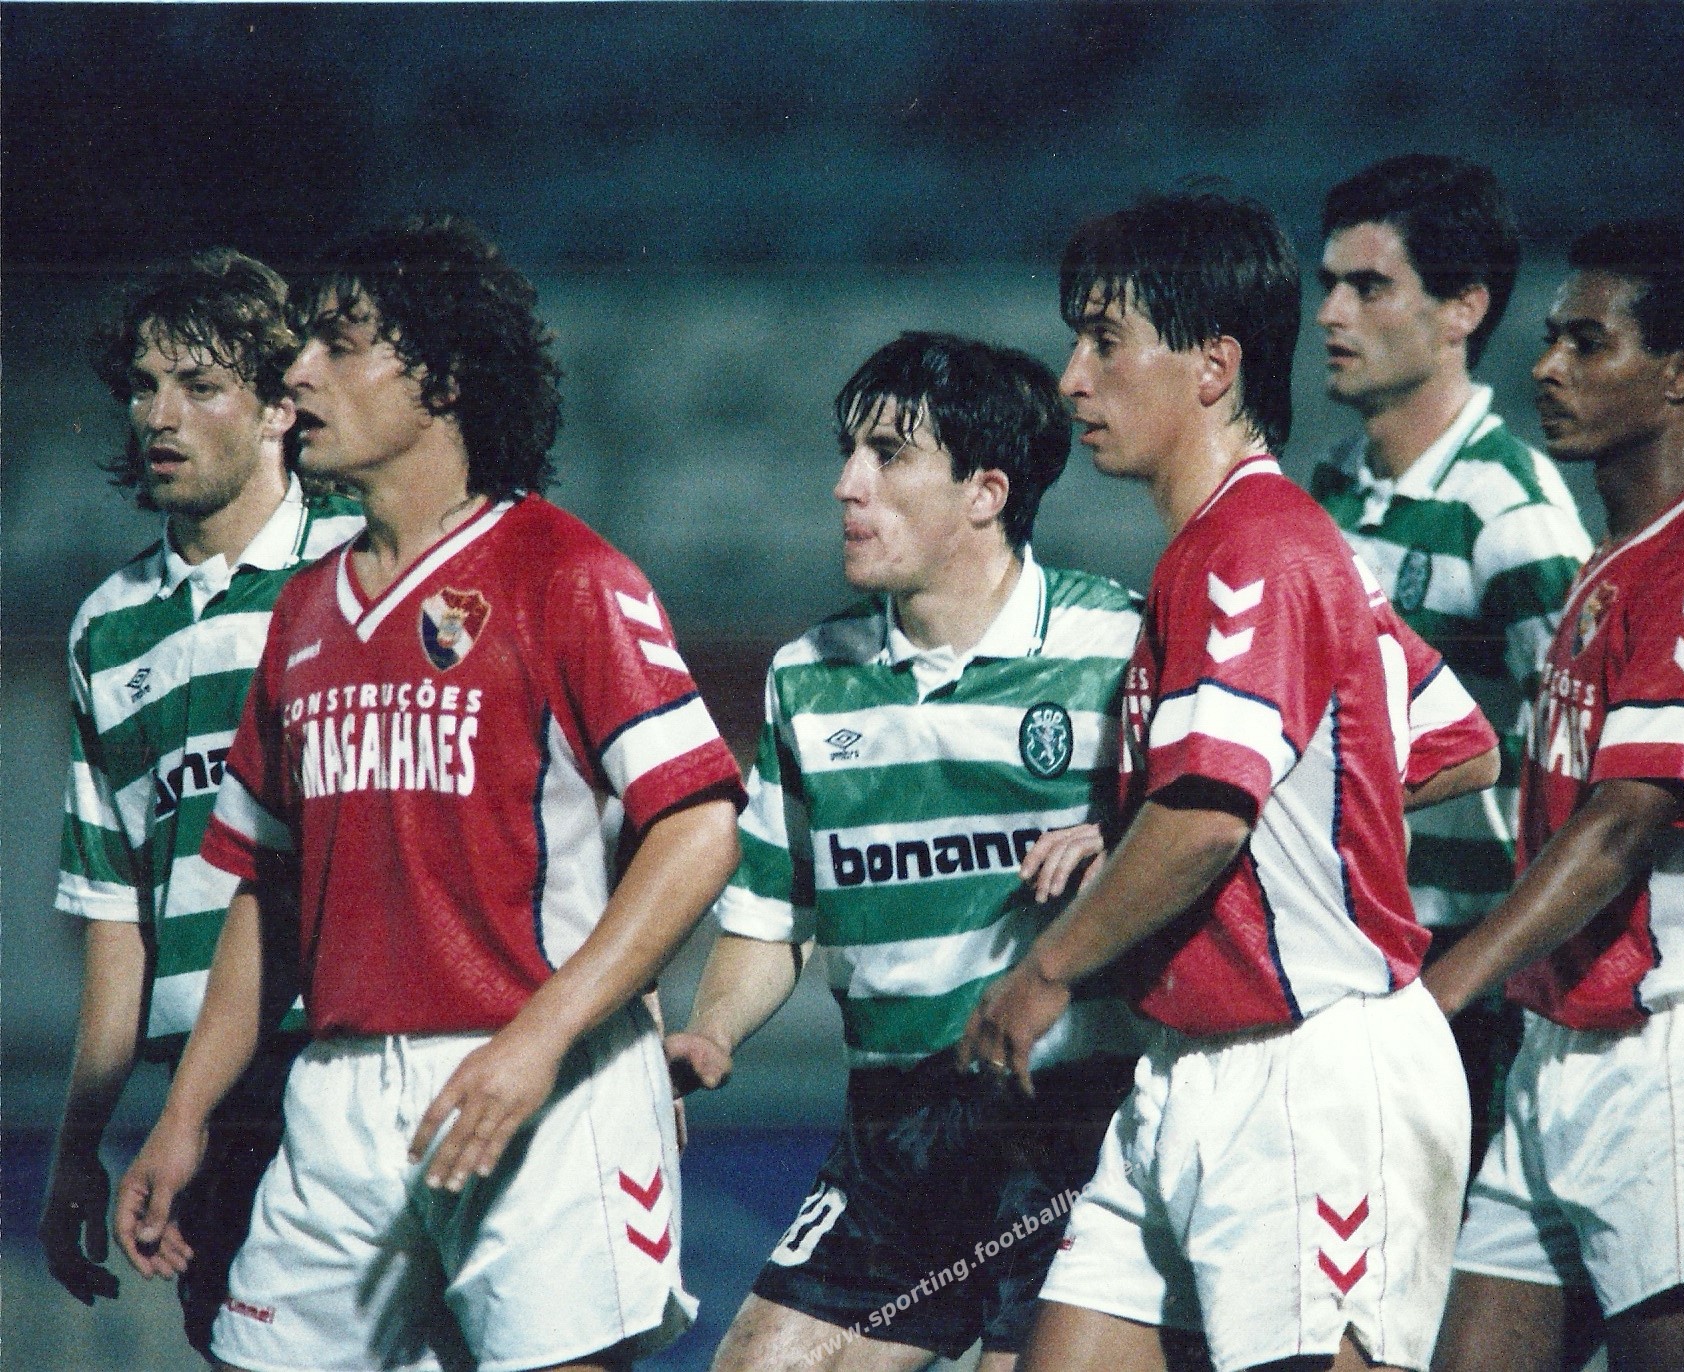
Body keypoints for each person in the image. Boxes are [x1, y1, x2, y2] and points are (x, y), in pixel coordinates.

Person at [112, 214, 744, 1372]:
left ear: (444, 378)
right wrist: (185, 1114)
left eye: (338, 345)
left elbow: (699, 827)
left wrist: (540, 1039)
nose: (296, 374)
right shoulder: (302, 611)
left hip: (543, 1084)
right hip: (339, 1095)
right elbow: (265, 889)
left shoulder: (566, 571)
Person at [960, 190, 1502, 1372]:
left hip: (1312, 1076)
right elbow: (1452, 739)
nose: (1071, 379)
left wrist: (1047, 969)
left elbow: (1207, 815)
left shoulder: (1251, 548)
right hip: (1186, 1075)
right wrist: (1191, 818)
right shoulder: (1274, 541)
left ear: (1212, 367)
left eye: (1104, 341)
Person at [663, 331, 1147, 1372]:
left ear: (985, 492)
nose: (847, 485)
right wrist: (712, 1031)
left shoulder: (1118, 644)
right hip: (897, 1138)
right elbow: (771, 915)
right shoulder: (810, 675)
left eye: (887, 456)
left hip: (1077, 1124)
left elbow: (1212, 823)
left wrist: (1121, 831)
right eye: (849, 453)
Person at [1426, 220, 1684, 1372]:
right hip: (1560, 1042)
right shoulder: (1615, 558)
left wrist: (1443, 985)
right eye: (1548, 338)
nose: (1544, 366)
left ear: (1679, 373)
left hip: (1683, 1048)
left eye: (1586, 343)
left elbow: (1627, 819)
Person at [39, 247, 363, 1356]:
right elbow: (117, 914)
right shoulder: (108, 625)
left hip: (353, 1054)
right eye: (144, 386)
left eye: (200, 384)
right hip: (206, 1100)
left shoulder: (363, 564)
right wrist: (79, 1145)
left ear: (280, 406)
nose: (159, 415)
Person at [1309, 155, 1591, 1172]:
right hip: (1345, 966)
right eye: (1328, 284)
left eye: (1368, 287)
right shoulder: (1331, 488)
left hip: (1451, 981)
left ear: (1462, 308)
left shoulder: (1509, 509)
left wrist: (1482, 974)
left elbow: (1590, 774)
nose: (1330, 313)